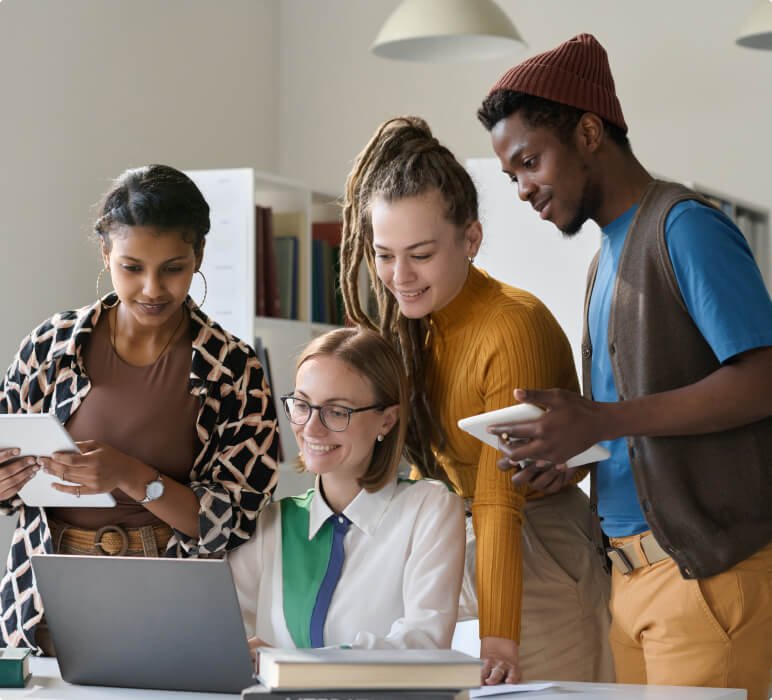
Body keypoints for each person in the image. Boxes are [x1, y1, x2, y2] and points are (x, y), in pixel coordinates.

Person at [477, 33, 772, 698]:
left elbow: (762, 377)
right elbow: (647, 428)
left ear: (587, 132)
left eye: (530, 161)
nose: (523, 189)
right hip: (631, 583)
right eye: (511, 176)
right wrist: (576, 456)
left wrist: (601, 419)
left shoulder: (684, 227)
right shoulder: (604, 260)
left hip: (705, 579)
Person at [339, 116, 614, 684]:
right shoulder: (418, 328)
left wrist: (499, 638)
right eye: (385, 255)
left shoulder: (510, 328)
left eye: (419, 254)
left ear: (471, 239)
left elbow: (498, 499)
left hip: (535, 553)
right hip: (470, 544)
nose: (399, 276)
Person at [0, 164, 279, 654]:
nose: (153, 289)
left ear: (199, 255)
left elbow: (236, 522)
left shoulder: (234, 369)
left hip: (172, 601)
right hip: (44, 602)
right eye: (132, 267)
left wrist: (131, 475)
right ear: (106, 253)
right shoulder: (49, 347)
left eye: (173, 268)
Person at [228, 327, 465, 650]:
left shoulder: (429, 509)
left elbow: (422, 643)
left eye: (337, 411)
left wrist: (296, 665)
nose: (311, 427)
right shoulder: (273, 521)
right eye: (302, 404)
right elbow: (220, 631)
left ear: (387, 420)